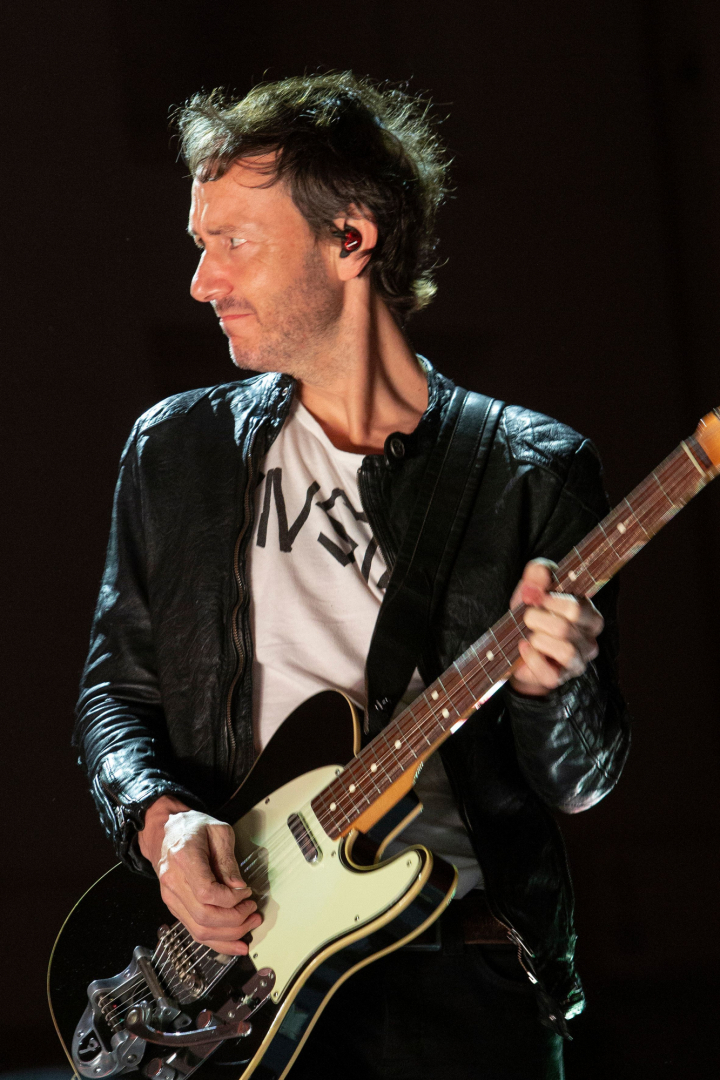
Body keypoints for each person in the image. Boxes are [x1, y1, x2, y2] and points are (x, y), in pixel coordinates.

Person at [75, 72, 630, 1080]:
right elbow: (116, 693)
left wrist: (557, 684)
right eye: (201, 243)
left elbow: (578, 781)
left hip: (458, 983)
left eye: (232, 241)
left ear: (350, 239)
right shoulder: (176, 451)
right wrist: (165, 825)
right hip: (238, 979)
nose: (201, 280)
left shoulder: (531, 470)